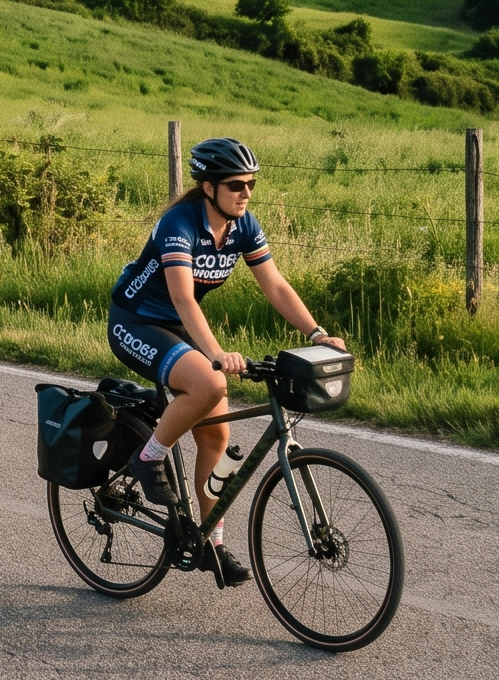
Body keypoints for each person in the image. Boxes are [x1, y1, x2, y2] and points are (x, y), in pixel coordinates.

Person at [108, 136, 345, 588]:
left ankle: (210, 544)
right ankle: (147, 455)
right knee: (210, 386)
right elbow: (181, 297)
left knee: (217, 437)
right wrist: (215, 355)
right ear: (209, 187)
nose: (247, 193)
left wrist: (315, 333)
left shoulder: (243, 226)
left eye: (252, 184)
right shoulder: (178, 223)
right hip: (135, 321)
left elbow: (274, 285)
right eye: (237, 184)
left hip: (177, 326)